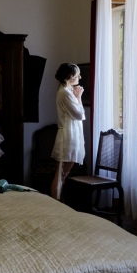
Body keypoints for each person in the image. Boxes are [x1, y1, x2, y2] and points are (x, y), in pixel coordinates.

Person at [51, 63, 86, 201]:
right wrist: (79, 97)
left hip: (69, 134)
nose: (80, 77)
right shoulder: (66, 93)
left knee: (62, 175)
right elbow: (80, 115)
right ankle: (57, 205)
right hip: (69, 136)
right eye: (77, 75)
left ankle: (60, 202)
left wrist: (76, 96)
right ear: (68, 78)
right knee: (61, 175)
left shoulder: (64, 91)